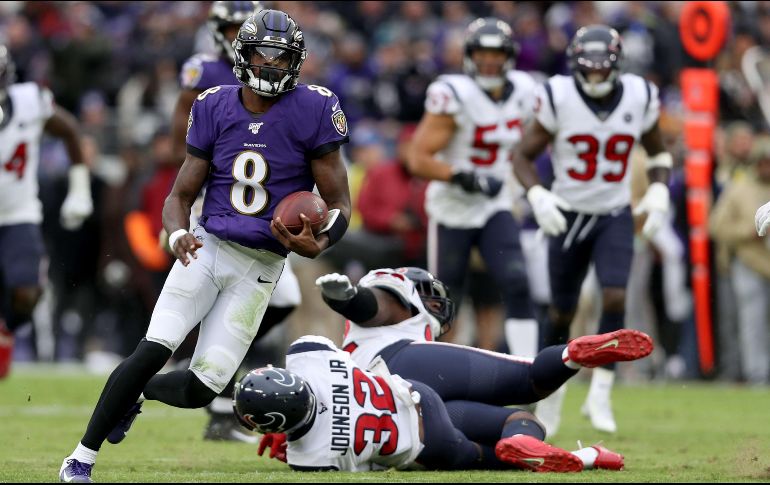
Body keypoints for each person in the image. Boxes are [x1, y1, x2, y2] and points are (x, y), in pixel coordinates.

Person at [58, 10, 351, 483]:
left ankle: (137, 393)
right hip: (209, 247)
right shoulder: (214, 103)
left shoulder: (315, 107)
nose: (273, 65)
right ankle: (80, 459)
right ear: (244, 55)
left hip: (262, 266)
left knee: (201, 389)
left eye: (283, 58)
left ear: (297, 62)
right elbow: (179, 195)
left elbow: (338, 203)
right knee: (154, 346)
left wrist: (321, 240)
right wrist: (177, 233)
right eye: (263, 54)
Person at [510, 25, 672, 435]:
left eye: (604, 71)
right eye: (590, 71)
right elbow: (522, 156)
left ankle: (602, 388)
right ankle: (551, 393)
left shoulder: (640, 94)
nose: (597, 78)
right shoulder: (558, 95)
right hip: (568, 213)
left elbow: (658, 152)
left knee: (615, 292)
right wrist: (537, 196)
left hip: (614, 211)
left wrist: (657, 188)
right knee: (562, 310)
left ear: (618, 67)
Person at [170, 0, 304, 443]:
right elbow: (182, 137)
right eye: (228, 29)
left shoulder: (287, 85)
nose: (233, 37)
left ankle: (207, 364)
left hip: (258, 217)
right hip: (212, 207)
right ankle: (213, 390)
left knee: (283, 300)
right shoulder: (206, 74)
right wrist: (178, 208)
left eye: (237, 28)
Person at [316, 267, 651, 428]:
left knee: (519, 423)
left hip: (391, 413)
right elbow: (372, 306)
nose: (437, 306)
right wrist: (346, 297)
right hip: (396, 364)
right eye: (428, 295)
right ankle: (572, 354)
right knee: (529, 379)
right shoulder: (388, 298)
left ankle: (529, 446)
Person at [237, 335, 626, 473]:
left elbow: (365, 463)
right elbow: (339, 362)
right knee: (523, 407)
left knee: (498, 456)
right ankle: (569, 357)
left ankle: (589, 457)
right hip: (416, 390)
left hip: (426, 442)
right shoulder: (306, 354)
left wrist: (295, 435)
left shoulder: (312, 458)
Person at [407, 17, 540, 361]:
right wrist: (465, 176)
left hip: (496, 203)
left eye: (496, 53)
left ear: (509, 56)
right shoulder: (453, 94)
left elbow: (535, 142)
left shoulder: (525, 91)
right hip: (453, 206)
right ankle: (433, 371)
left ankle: (528, 373)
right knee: (446, 298)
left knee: (517, 281)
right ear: (469, 55)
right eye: (482, 53)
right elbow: (417, 158)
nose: (489, 60)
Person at [0, 45, 93, 378]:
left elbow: (69, 129)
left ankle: (6, 330)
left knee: (27, 293)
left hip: (18, 214)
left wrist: (79, 188)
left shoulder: (30, 100)